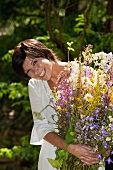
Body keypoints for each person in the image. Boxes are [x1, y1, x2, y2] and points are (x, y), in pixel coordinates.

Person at [12, 39, 99, 170]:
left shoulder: (84, 73)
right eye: (28, 71)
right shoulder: (35, 85)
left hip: (90, 155)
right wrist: (70, 148)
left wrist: (105, 149)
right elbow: (41, 126)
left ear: (44, 53)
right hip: (54, 157)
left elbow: (105, 113)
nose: (36, 72)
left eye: (35, 62)